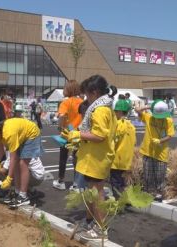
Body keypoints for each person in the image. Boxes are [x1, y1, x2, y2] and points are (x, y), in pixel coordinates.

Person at [60, 75, 117, 239]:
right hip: (96, 156)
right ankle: (94, 224)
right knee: (94, 192)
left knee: (97, 193)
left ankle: (101, 229)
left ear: (95, 92)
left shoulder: (99, 110)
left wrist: (77, 135)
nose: (85, 98)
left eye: (86, 95)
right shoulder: (105, 107)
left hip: (96, 157)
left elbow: (99, 136)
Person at [0, 117, 42, 207]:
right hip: (22, 134)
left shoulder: (8, 134)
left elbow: (13, 158)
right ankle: (17, 192)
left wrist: (9, 179)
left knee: (22, 164)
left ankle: (23, 196)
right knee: (17, 163)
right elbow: (0, 152)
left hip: (32, 133)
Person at [136, 100, 174, 201]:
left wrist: (160, 141)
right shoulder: (149, 117)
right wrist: (150, 107)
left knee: (160, 175)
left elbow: (170, 135)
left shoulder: (168, 120)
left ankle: (160, 194)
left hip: (161, 152)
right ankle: (149, 194)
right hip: (148, 151)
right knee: (148, 175)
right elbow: (138, 110)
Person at [52, 80, 83, 191]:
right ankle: (77, 183)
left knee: (63, 157)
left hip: (66, 133)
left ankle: (61, 181)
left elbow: (62, 115)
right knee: (77, 158)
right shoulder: (82, 101)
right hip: (79, 133)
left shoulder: (65, 102)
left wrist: (60, 126)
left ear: (68, 89)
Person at [110, 99, 136, 198]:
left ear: (120, 111)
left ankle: (119, 202)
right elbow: (134, 142)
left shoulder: (117, 125)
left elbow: (113, 142)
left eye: (116, 111)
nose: (115, 113)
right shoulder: (131, 126)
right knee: (124, 182)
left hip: (117, 159)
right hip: (127, 159)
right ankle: (124, 200)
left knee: (116, 183)